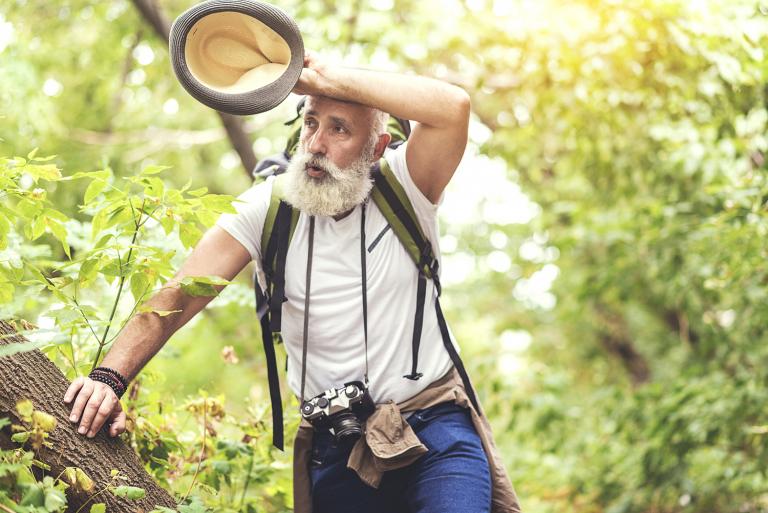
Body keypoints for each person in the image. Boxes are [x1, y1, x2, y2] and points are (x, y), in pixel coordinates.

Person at [63, 53, 520, 513]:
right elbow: (178, 296)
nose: (316, 144)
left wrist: (326, 77)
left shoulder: (408, 187)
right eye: (311, 123)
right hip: (337, 446)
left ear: (377, 149)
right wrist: (108, 380)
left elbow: (453, 108)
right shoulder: (267, 208)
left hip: (434, 427)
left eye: (340, 129)